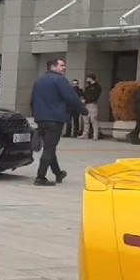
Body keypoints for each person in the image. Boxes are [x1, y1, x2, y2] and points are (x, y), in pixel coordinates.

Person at [30, 58, 88, 187]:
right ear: (53, 67)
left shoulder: (38, 81)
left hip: (41, 119)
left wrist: (37, 115)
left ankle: (58, 173)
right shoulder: (60, 80)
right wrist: (84, 110)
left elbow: (32, 101)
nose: (64, 68)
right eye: (61, 65)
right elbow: (72, 97)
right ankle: (40, 177)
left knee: (49, 147)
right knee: (49, 149)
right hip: (55, 119)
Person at [81, 74, 103, 140]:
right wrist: (83, 99)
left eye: (88, 78)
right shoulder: (88, 87)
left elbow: (95, 97)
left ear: (91, 78)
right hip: (86, 105)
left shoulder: (97, 87)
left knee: (93, 120)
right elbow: (84, 94)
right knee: (86, 120)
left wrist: (86, 100)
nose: (87, 80)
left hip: (92, 104)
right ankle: (85, 134)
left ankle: (95, 135)